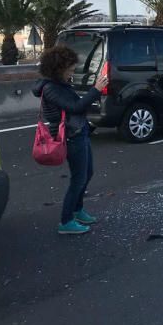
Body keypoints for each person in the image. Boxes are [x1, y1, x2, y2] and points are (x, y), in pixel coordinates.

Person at [32, 45, 108, 235]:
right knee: (78, 178)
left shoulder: (60, 84)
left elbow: (76, 106)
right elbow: (75, 107)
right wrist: (96, 90)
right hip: (71, 136)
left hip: (79, 131)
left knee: (87, 173)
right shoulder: (51, 88)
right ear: (59, 68)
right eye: (70, 69)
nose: (72, 72)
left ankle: (77, 210)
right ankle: (66, 221)